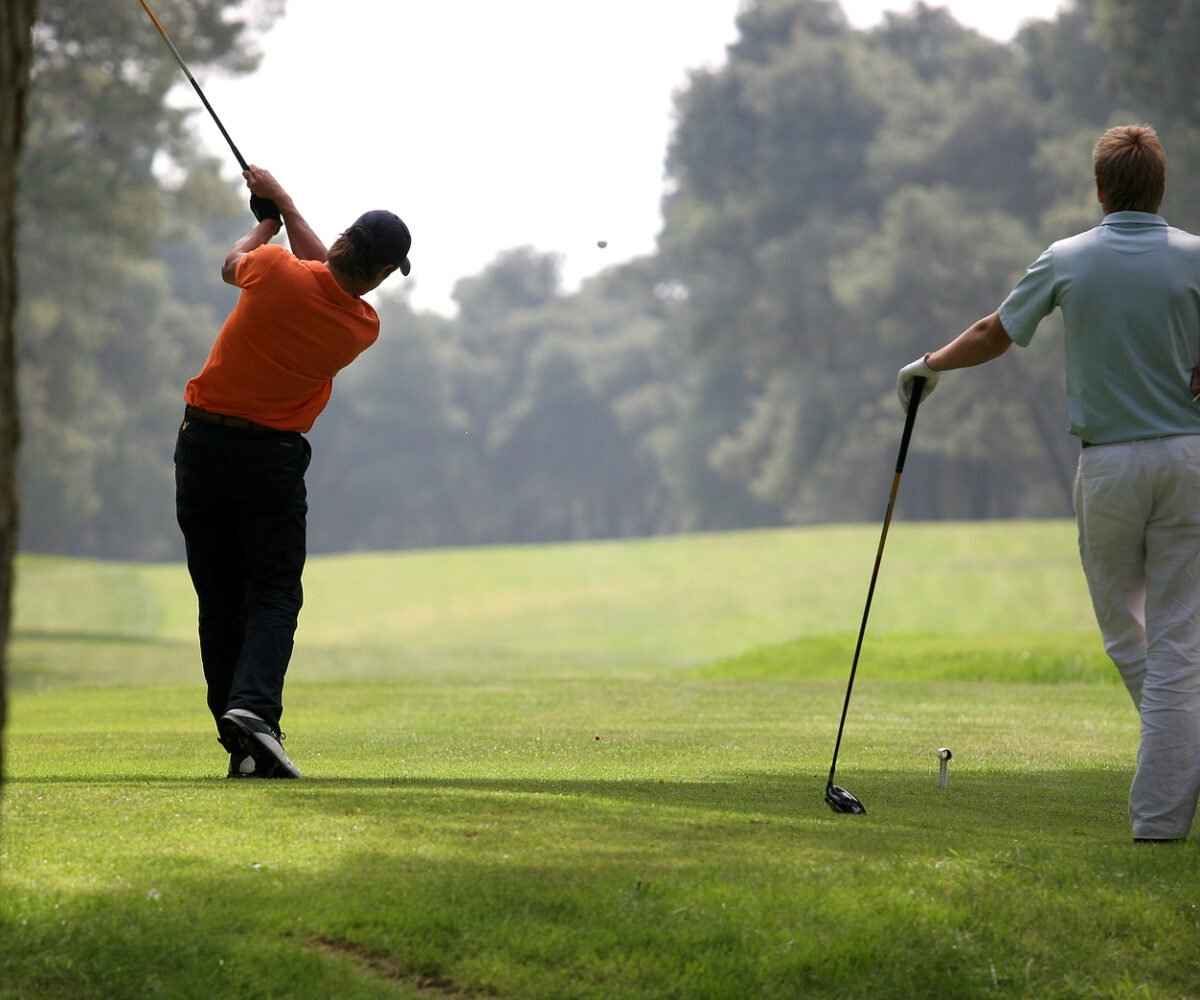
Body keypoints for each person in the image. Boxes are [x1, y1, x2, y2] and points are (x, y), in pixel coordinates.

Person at [897, 124, 1200, 843]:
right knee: (1179, 644)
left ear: (1100, 190)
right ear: (1160, 188)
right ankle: (1176, 759)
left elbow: (996, 331)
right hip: (1189, 459)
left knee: (1132, 639)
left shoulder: (1069, 259)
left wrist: (929, 366)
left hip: (1111, 467)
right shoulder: (1195, 257)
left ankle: (1159, 821)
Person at [175, 166, 411, 779]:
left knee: (218, 595)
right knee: (274, 592)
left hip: (202, 447)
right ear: (384, 274)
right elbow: (329, 281)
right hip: (271, 461)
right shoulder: (362, 327)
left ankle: (244, 744)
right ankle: (253, 712)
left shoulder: (275, 269)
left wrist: (264, 224)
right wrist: (283, 210)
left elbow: (233, 264)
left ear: (341, 242)